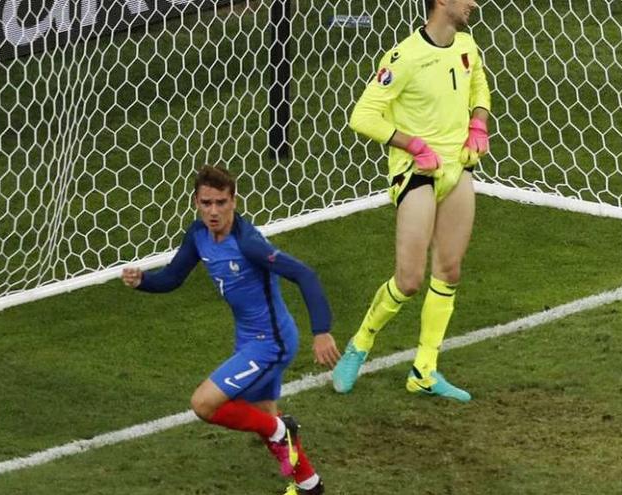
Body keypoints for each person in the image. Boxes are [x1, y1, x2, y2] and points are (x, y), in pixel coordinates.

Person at [122, 165, 340, 495]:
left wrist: (321, 331)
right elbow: (173, 277)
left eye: (221, 203)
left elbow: (305, 274)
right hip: (249, 339)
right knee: (263, 416)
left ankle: (282, 429)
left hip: (273, 343)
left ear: (234, 202)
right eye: (206, 203)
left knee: (204, 404)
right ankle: (310, 485)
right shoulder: (198, 235)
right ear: (196, 201)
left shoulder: (249, 243)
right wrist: (143, 281)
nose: (213, 211)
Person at [332, 0, 491, 402]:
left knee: (450, 270)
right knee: (409, 279)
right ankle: (361, 342)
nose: (473, 3)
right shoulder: (403, 57)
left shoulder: (468, 46)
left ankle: (425, 369)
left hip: (457, 167)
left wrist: (478, 121)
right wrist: (413, 144)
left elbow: (478, 84)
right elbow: (363, 116)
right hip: (416, 171)